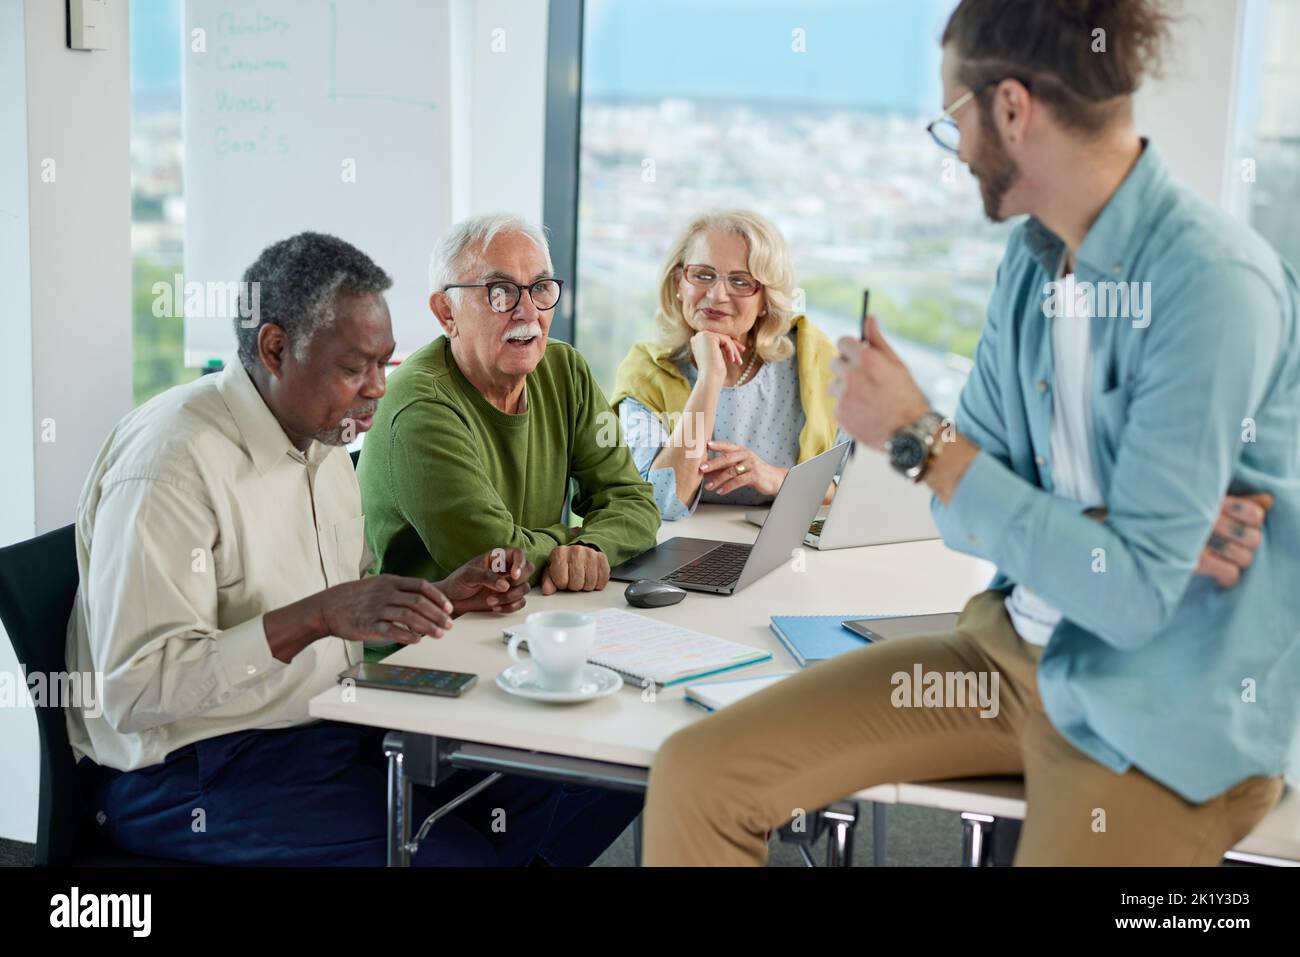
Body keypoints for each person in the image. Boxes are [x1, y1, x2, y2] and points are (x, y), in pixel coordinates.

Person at [643, 0, 1299, 866]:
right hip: (1006, 654)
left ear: (1014, 110)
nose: (952, 148)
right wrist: (1107, 525)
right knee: (700, 770)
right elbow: (961, 517)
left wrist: (923, 435)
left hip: (1155, 707)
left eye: (953, 117)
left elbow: (1132, 601)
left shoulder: (1207, 282)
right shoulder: (1031, 265)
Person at [68, 232, 632, 866]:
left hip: (333, 727)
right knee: (465, 857)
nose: (378, 389)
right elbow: (133, 694)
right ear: (275, 349)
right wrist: (317, 616)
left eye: (384, 364)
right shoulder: (170, 465)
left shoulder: (326, 441)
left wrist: (441, 597)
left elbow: (351, 608)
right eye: (353, 367)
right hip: (192, 771)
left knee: (598, 772)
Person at [358, 213, 660, 598]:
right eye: (499, 292)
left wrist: (590, 547)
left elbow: (632, 500)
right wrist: (569, 539)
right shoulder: (420, 407)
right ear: (446, 313)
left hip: (532, 615)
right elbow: (494, 560)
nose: (528, 311)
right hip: (429, 643)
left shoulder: (564, 369)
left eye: (540, 288)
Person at [611, 209, 843, 520]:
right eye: (703, 275)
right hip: (680, 552)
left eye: (741, 281)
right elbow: (662, 501)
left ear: (766, 300)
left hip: (786, 548)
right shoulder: (646, 371)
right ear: (680, 281)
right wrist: (710, 378)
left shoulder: (814, 362)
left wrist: (778, 479)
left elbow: (856, 494)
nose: (717, 294)